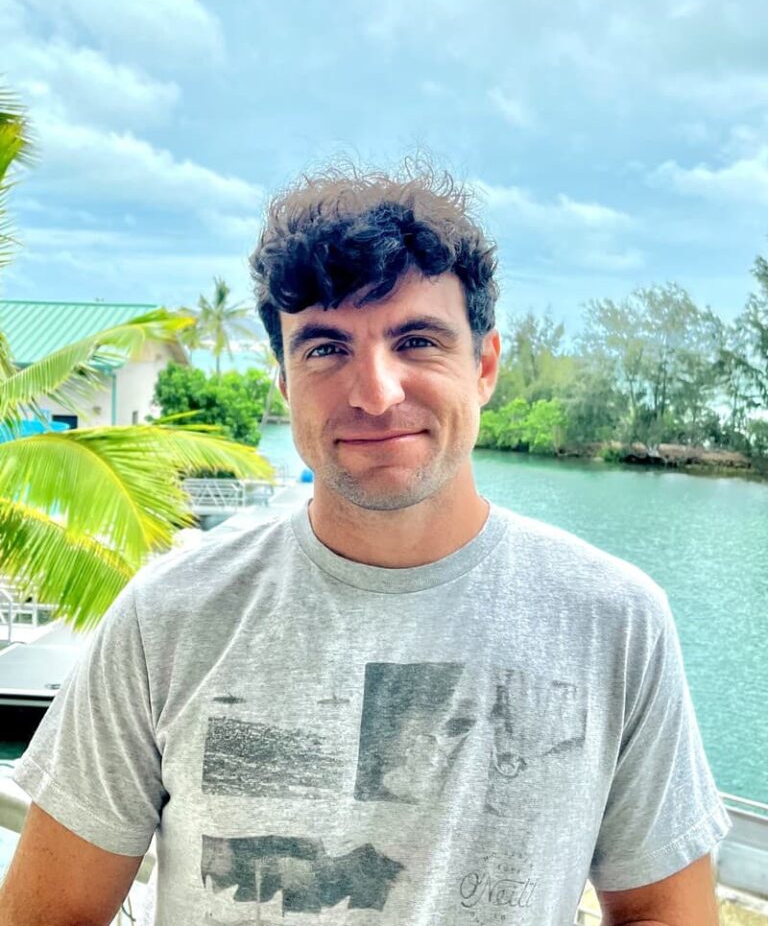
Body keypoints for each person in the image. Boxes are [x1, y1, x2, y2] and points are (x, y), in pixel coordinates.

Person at [0, 163, 729, 925]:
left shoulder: (614, 622)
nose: (376, 393)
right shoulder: (168, 619)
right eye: (324, 348)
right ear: (283, 383)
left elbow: (661, 908)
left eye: (416, 340)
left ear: (483, 366)